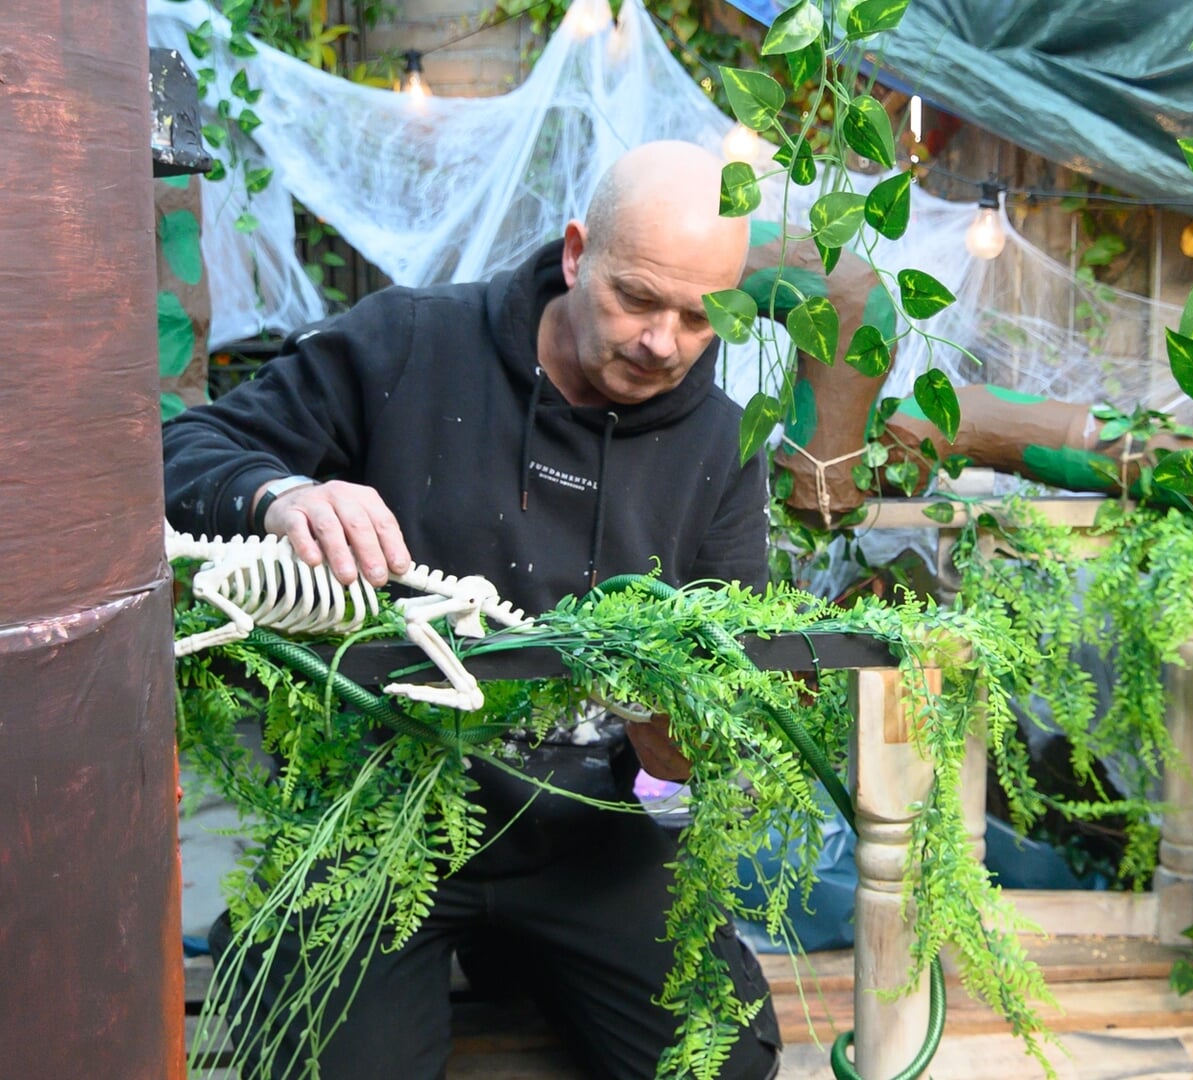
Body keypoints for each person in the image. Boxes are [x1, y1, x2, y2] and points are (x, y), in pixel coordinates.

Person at [163, 140, 780, 1080]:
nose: (663, 342)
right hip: (373, 809)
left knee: (727, 1063)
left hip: (577, 826)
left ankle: (527, 946)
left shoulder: (725, 444)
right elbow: (181, 450)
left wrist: (680, 730)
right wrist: (278, 495)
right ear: (578, 255)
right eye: (637, 299)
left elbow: (705, 732)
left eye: (699, 318)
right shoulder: (411, 342)